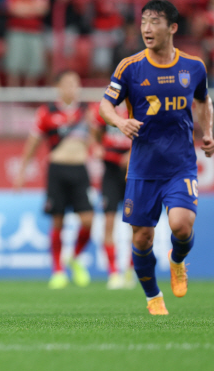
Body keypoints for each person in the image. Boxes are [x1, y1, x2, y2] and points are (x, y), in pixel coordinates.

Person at [99, 0, 214, 315]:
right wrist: (121, 121)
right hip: (142, 166)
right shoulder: (129, 66)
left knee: (181, 225)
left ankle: (177, 261)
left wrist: (207, 133)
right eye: (144, 22)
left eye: (155, 22)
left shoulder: (193, 67)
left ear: (172, 28)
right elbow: (104, 106)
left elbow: (205, 101)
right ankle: (153, 297)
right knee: (141, 239)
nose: (147, 29)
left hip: (180, 164)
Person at [15, 70, 94, 290]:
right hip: (57, 170)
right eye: (68, 84)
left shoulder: (87, 111)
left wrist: (96, 147)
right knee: (57, 220)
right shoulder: (46, 112)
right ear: (59, 87)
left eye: (76, 84)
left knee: (88, 220)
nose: (72, 88)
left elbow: (96, 138)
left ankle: (75, 257)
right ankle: (58, 271)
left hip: (80, 170)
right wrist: (22, 171)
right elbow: (33, 143)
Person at [90, 102, 135, 289]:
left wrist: (133, 153)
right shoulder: (106, 108)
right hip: (110, 172)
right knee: (109, 221)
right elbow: (94, 135)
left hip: (133, 171)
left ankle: (131, 270)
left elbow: (149, 136)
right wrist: (96, 147)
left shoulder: (139, 105)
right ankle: (113, 272)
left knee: (137, 224)